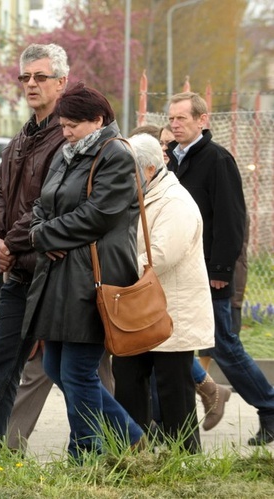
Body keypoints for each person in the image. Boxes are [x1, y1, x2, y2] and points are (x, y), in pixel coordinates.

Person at [22, 83, 144, 458]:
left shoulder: (117, 154)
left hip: (94, 278)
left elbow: (99, 215)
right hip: (61, 276)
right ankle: (118, 441)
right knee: (59, 369)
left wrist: (46, 236)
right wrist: (43, 233)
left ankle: (99, 448)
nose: (66, 131)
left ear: (98, 119)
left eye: (73, 124)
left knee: (77, 372)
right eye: (63, 124)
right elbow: (43, 203)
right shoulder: (67, 152)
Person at [166, 92, 274, 446]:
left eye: (182, 118)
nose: (175, 124)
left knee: (224, 346)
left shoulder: (216, 159)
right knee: (176, 346)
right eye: (172, 118)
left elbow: (231, 221)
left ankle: (270, 407)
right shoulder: (174, 161)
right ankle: (172, 424)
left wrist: (222, 271)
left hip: (210, 274)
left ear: (202, 119)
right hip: (182, 273)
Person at [0, 43, 69, 442]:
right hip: (18, 271)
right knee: (1, 362)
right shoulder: (20, 138)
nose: (31, 84)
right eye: (25, 77)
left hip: (57, 271)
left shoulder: (68, 136)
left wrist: (9, 245)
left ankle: (123, 441)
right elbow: (0, 194)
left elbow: (50, 202)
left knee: (76, 370)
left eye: (40, 77)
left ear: (61, 82)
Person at [111, 134, 214, 453]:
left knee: (174, 392)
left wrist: (117, 271)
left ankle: (185, 458)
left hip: (171, 314)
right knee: (127, 381)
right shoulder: (142, 194)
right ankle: (131, 452)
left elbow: (161, 255)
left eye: (129, 172)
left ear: (151, 169)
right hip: (141, 310)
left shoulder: (174, 201)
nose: (123, 179)